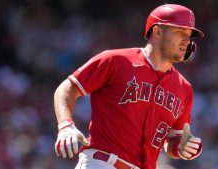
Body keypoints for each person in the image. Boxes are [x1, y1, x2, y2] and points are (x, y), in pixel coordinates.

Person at [54, 3, 204, 169]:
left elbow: (172, 141)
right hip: (102, 162)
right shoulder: (117, 60)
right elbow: (67, 88)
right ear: (157, 32)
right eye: (180, 32)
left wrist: (182, 148)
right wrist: (66, 125)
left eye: (189, 34)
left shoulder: (184, 88)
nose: (186, 40)